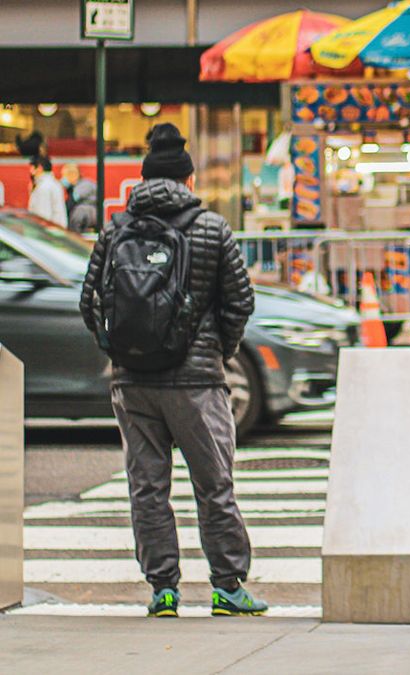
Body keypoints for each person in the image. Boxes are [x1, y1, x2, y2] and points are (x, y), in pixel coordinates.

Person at [78, 123, 265, 619]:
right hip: (196, 381)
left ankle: (163, 590)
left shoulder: (117, 228)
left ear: (143, 179)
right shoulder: (210, 227)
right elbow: (240, 300)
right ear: (188, 178)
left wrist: (116, 349)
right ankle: (227, 588)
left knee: (147, 487)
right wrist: (219, 350)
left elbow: (89, 299)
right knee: (214, 484)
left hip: (133, 383)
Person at [28, 156, 67, 227]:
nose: (30, 171)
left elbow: (43, 215)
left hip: (47, 232)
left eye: (32, 167)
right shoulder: (54, 183)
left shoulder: (43, 187)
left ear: (39, 168)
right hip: (57, 230)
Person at [61, 163, 99, 233]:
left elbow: (71, 202)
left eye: (64, 176)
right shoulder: (76, 187)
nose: (62, 179)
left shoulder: (85, 185)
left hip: (88, 217)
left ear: (73, 175)